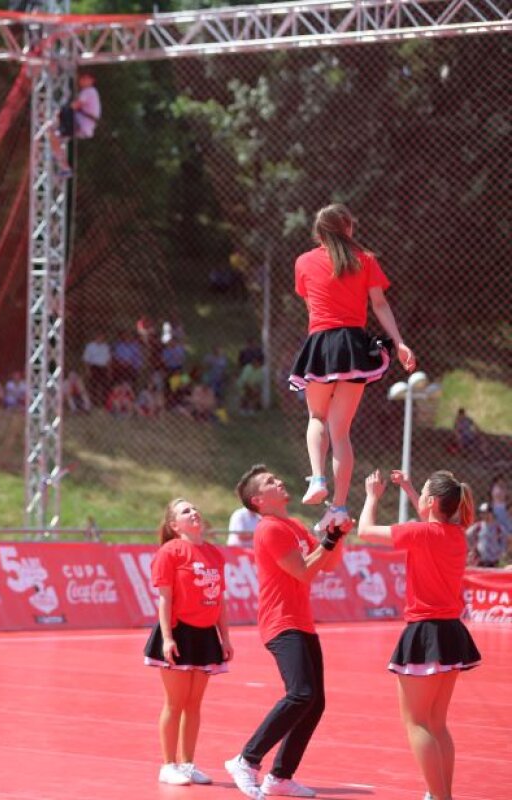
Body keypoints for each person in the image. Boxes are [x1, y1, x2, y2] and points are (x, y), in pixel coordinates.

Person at [288, 204, 415, 531]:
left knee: (317, 417)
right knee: (340, 431)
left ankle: (317, 479)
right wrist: (399, 343)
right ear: (348, 228)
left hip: (321, 344)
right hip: (353, 348)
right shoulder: (366, 260)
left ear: (318, 232)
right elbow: (380, 304)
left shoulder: (303, 262)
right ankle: (340, 507)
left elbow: (311, 306)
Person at [224, 464, 347, 800]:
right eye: (269, 482)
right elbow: (304, 573)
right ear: (258, 500)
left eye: (275, 477)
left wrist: (338, 533)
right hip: (281, 622)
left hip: (302, 620)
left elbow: (330, 564)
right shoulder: (268, 529)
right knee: (301, 694)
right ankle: (246, 759)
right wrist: (329, 539)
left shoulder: (292, 526)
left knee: (315, 702)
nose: (278, 481)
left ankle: (280, 776)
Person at [357, 469, 481, 800]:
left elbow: (365, 531)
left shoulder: (423, 533)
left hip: (425, 632)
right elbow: (429, 519)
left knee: (417, 724)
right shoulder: (456, 534)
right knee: (437, 723)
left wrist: (371, 496)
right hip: (452, 633)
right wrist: (411, 488)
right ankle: (442, 794)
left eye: (423, 493)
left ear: (430, 502)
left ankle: (440, 797)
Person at [145, 499, 233, 787]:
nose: (194, 512)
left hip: (206, 634)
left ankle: (187, 763)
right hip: (179, 632)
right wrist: (167, 637)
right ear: (174, 525)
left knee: (194, 704)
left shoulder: (214, 554)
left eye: (195, 508)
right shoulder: (170, 552)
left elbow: (218, 599)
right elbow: (165, 598)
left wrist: (225, 637)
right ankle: (168, 764)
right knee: (175, 702)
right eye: (185, 511)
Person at [468, 502, 508, 568]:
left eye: (486, 513)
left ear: (491, 513)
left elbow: (506, 540)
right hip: (481, 560)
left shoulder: (498, 528)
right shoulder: (478, 526)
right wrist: (472, 548)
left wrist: (501, 551)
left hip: (494, 561)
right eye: (482, 513)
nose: (484, 515)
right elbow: (467, 535)